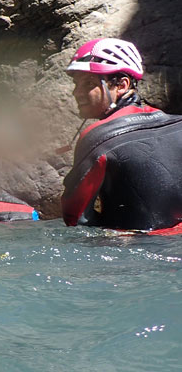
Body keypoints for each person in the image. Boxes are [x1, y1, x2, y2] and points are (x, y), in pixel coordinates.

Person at [62, 37, 182, 231]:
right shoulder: (178, 125)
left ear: (122, 85)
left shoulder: (99, 138)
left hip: (137, 246)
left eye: (88, 84)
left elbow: (75, 217)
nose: (77, 92)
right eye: (76, 84)